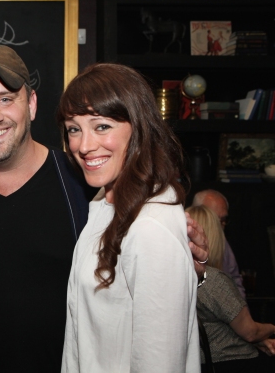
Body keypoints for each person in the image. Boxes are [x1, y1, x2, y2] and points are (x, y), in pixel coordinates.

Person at [0, 43, 208, 372]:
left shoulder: (84, 180)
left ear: (31, 104)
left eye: (6, 98)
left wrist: (192, 272)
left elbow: (147, 278)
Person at [58, 63, 200, 372]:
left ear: (138, 127)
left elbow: (160, 362)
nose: (84, 145)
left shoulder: (150, 228)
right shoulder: (104, 205)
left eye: (102, 126)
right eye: (74, 129)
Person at [186, 205, 275, 373]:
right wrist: (271, 328)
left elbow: (220, 329)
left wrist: (259, 340)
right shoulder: (213, 280)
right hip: (230, 362)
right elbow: (250, 332)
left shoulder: (181, 278)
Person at [193, 189, 245, 299]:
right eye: (214, 219)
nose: (220, 225)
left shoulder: (224, 245)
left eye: (223, 220)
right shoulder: (182, 241)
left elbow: (236, 283)